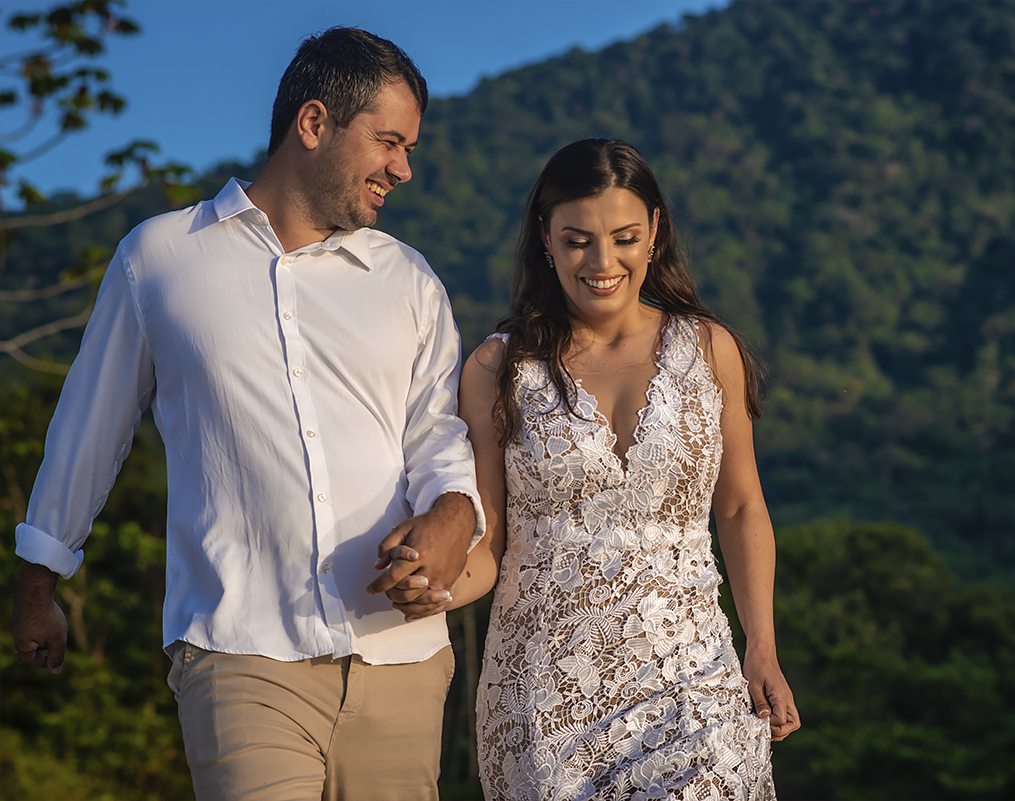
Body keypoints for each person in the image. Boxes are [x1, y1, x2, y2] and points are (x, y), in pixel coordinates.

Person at [11, 27, 484, 801]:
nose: (403, 168)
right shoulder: (159, 259)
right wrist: (38, 585)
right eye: (389, 142)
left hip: (402, 659)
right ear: (314, 123)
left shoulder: (410, 280)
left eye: (408, 148)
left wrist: (456, 512)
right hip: (239, 653)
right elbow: (86, 432)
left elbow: (437, 435)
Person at [401, 139, 801, 799]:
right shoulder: (498, 369)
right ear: (546, 239)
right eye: (578, 240)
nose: (602, 261)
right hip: (547, 696)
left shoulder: (709, 348)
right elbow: (490, 540)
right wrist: (429, 585)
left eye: (623, 237)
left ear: (654, 234)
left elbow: (739, 507)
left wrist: (762, 645)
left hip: (694, 678)